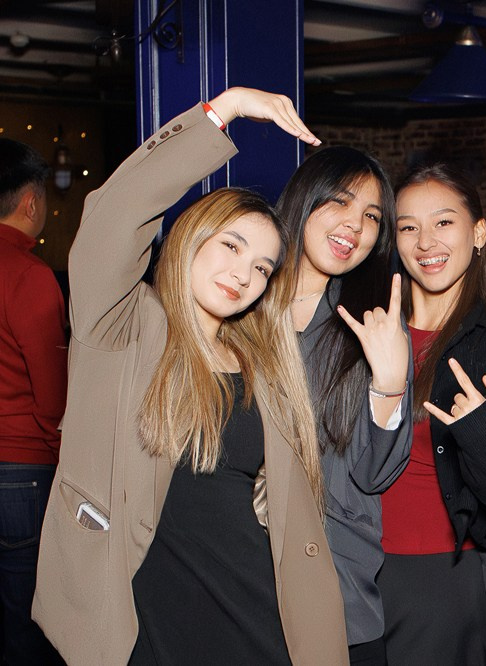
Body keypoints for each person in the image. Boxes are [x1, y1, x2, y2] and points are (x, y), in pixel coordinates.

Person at [32, 88, 350, 665]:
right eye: (231, 245)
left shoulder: (263, 363)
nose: (243, 274)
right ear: (191, 237)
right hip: (149, 613)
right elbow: (114, 216)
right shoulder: (124, 328)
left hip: (254, 608)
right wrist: (224, 110)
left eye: (261, 267)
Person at [377, 163, 486, 666]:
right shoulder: (371, 330)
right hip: (355, 567)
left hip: (440, 578)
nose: (425, 241)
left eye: (444, 222)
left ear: (478, 233)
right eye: (409, 227)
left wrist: (478, 431)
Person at [276, 147, 412, 666]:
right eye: (340, 200)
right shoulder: (243, 301)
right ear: (303, 198)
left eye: (372, 217)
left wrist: (389, 383)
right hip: (243, 575)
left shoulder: (374, 324)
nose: (355, 225)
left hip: (338, 583)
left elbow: (374, 474)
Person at [0, 139, 65, 665]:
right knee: (27, 623)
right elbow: (53, 399)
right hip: (21, 469)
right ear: (30, 201)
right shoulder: (30, 276)